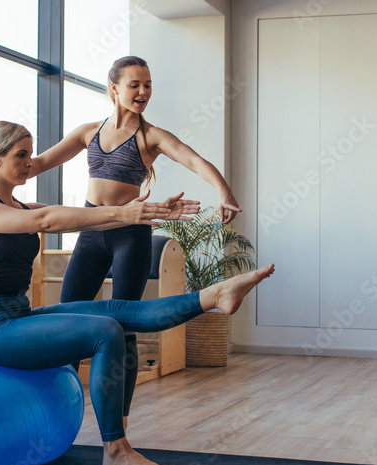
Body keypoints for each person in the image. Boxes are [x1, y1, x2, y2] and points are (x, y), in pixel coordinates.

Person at [0, 121, 274, 465]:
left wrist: (150, 213)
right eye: (21, 155)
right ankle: (115, 451)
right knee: (105, 331)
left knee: (118, 311)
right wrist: (124, 212)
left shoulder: (20, 206)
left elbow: (88, 222)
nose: (30, 162)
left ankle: (214, 296)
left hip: (18, 315)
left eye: (31, 154)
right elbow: (48, 220)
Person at [27, 56, 241, 433]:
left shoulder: (151, 136)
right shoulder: (87, 132)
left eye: (147, 85)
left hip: (131, 236)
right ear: (114, 88)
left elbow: (194, 160)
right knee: (65, 321)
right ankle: (51, 415)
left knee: (121, 325)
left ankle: (117, 428)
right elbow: (40, 163)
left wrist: (223, 191)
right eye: (134, 85)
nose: (142, 92)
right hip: (92, 232)